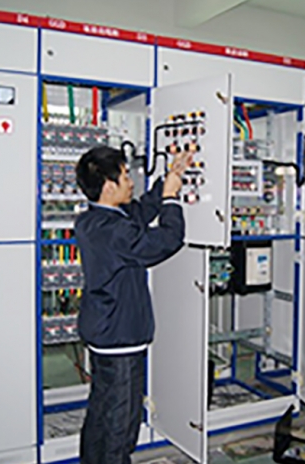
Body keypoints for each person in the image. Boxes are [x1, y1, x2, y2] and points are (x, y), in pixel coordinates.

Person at [74, 145, 191, 464]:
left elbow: (138, 212)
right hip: (120, 339)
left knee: (101, 412)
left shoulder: (94, 220)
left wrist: (170, 177)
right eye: (126, 176)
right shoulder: (114, 231)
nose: (131, 182)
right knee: (121, 426)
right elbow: (167, 240)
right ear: (108, 186)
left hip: (104, 333)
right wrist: (171, 199)